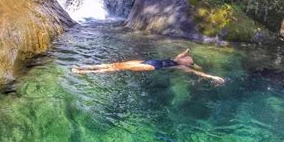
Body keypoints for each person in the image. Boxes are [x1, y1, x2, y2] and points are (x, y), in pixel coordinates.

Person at [72, 49, 225, 84]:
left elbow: (199, 74)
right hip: (146, 60)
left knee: (118, 69)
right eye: (185, 57)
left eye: (187, 59)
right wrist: (188, 51)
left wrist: (212, 77)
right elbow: (184, 51)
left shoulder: (181, 67)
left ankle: (84, 73)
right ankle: (84, 67)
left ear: (187, 64)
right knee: (115, 64)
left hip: (152, 67)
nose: (184, 58)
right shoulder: (178, 58)